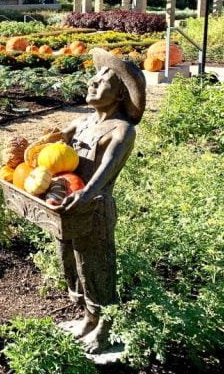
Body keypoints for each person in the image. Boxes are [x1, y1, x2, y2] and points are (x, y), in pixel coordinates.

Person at [54, 48, 146, 354]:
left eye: (103, 80)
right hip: (65, 208)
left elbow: (106, 170)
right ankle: (86, 317)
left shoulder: (122, 130)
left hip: (94, 209)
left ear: (120, 95)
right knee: (71, 264)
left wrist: (87, 193)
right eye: (94, 77)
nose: (92, 82)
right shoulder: (82, 122)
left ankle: (104, 326)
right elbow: (54, 143)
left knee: (96, 268)